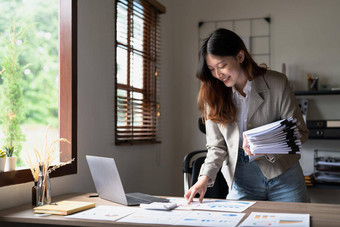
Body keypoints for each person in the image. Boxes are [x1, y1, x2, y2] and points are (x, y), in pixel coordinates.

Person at [184, 28, 310, 203]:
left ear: (240, 56)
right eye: (212, 69)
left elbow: (299, 133)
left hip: (284, 175)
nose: (217, 74)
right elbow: (217, 147)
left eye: (222, 66)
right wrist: (204, 178)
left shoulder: (277, 83)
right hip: (241, 179)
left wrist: (263, 146)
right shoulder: (212, 95)